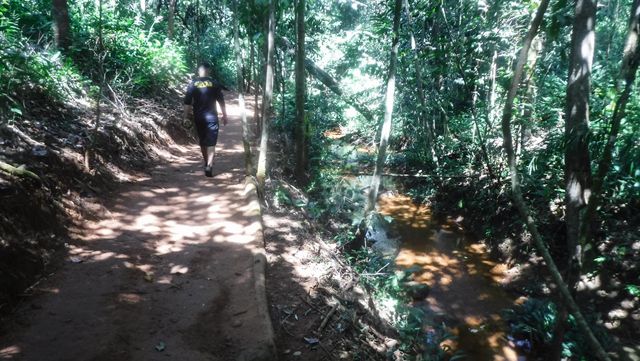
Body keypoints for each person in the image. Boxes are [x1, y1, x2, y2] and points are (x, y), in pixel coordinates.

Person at [183, 62, 228, 177]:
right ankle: (209, 165)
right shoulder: (214, 83)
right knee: (211, 143)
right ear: (209, 71)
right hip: (212, 117)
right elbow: (221, 101)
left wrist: (185, 117)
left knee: (203, 142)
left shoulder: (193, 84)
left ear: (199, 71)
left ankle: (206, 162)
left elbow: (187, 102)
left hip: (198, 117)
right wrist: (224, 115)